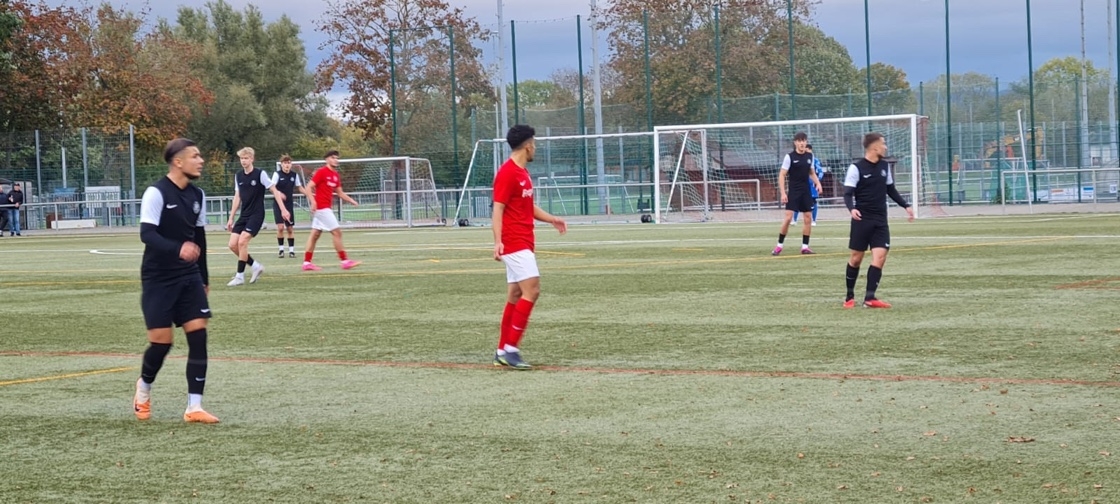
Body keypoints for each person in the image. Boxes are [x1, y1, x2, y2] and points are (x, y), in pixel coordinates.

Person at [134, 137, 218, 423]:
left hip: (189, 275)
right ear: (178, 162)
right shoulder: (156, 192)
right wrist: (177, 248)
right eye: (195, 156)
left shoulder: (198, 195)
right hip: (158, 277)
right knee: (161, 343)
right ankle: (144, 388)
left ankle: (194, 407)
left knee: (199, 334)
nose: (201, 160)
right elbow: (147, 234)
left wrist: (204, 277)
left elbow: (199, 238)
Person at [491, 125, 567, 370]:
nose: (535, 147)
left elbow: (527, 207)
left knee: (515, 294)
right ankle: (512, 350)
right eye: (534, 143)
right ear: (528, 145)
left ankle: (502, 350)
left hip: (524, 240)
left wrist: (552, 219)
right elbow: (498, 208)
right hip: (514, 242)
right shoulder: (507, 173)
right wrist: (498, 241)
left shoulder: (522, 172)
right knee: (532, 290)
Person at [843, 132, 914, 309]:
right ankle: (849, 296)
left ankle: (870, 298)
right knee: (856, 258)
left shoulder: (884, 166)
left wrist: (906, 206)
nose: (885, 147)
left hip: (880, 220)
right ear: (874, 147)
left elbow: (891, 190)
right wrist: (852, 209)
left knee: (880, 257)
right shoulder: (856, 168)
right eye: (883, 144)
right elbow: (847, 193)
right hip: (862, 220)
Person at [225, 147, 289, 286]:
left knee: (242, 241)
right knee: (232, 245)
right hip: (244, 215)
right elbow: (237, 197)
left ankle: (240, 276)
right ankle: (255, 266)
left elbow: (274, 191)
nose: (243, 161)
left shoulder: (260, 174)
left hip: (256, 215)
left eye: (246, 158)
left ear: (252, 159)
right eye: (241, 158)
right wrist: (231, 217)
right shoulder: (238, 176)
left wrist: (283, 210)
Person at [301, 150, 361, 271]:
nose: (335, 160)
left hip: (325, 208)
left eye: (337, 158)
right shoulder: (321, 172)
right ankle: (345, 261)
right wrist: (313, 201)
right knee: (337, 233)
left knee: (315, 235)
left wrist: (351, 200)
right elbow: (308, 187)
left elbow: (340, 193)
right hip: (322, 209)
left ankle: (307, 263)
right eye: (333, 157)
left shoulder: (335, 175)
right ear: (327, 159)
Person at [772, 132, 822, 255]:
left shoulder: (810, 156)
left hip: (806, 191)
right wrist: (783, 193)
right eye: (799, 141)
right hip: (794, 192)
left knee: (808, 217)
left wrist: (818, 183)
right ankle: (779, 245)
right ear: (795, 143)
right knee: (788, 218)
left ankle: (805, 247)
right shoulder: (789, 157)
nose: (802, 143)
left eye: (803, 141)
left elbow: (811, 172)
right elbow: (782, 174)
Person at [271, 155, 307, 258]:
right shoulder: (277, 174)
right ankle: (281, 250)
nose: (287, 165)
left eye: (289, 163)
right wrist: (279, 193)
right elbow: (272, 188)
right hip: (278, 204)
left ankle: (291, 251)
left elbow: (300, 188)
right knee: (280, 227)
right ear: (281, 164)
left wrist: (309, 194)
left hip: (289, 204)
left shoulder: (294, 175)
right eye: (285, 163)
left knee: (290, 229)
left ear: (291, 164)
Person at [792, 144, 824, 226]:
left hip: (812, 185)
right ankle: (794, 220)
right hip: (802, 183)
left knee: (813, 201)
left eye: (807, 150)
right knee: (798, 200)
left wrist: (817, 181)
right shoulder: (801, 160)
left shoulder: (815, 160)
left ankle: (813, 220)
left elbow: (820, 172)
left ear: (810, 150)